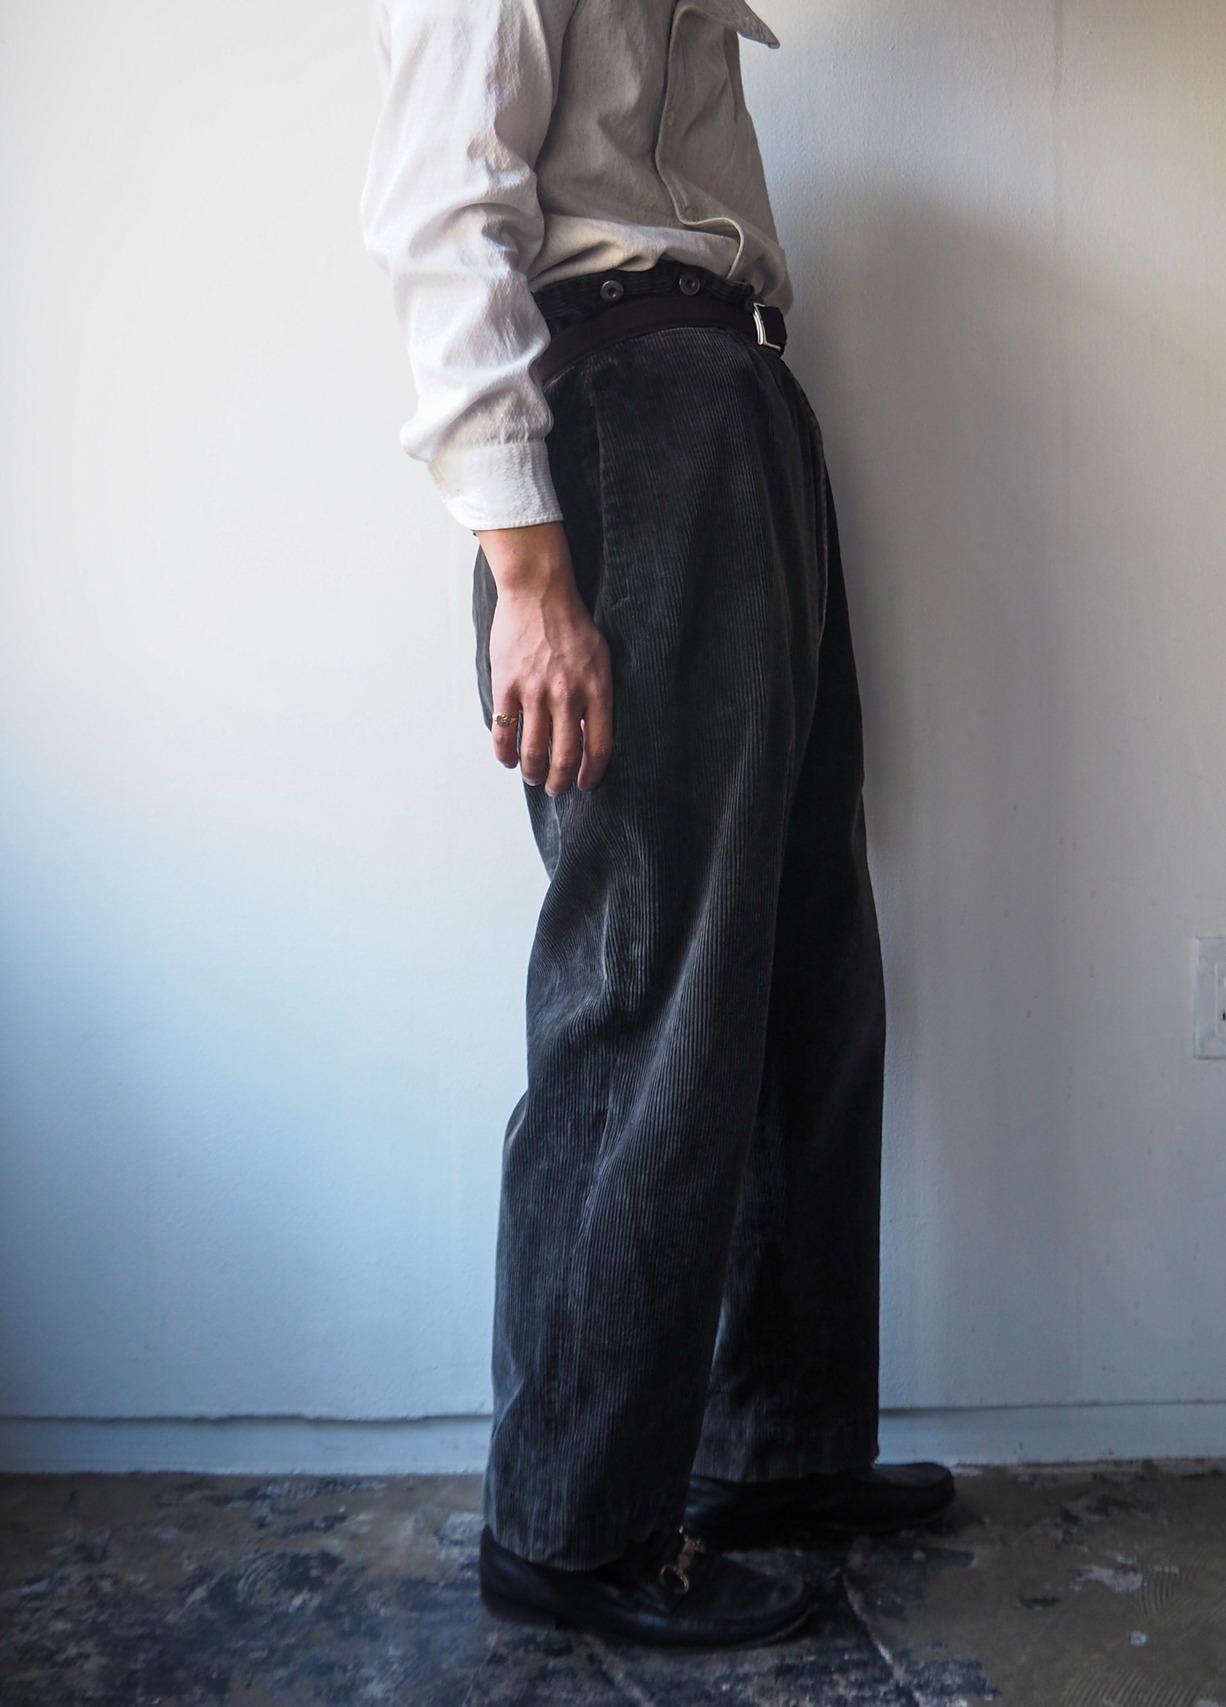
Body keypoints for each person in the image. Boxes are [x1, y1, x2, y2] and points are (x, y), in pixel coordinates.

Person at [361, 0, 954, 1650]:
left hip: (739, 404)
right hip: (625, 420)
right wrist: (530, 575)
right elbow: (439, 206)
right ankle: (572, 1522)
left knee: (807, 967)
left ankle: (775, 1446)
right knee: (650, 985)